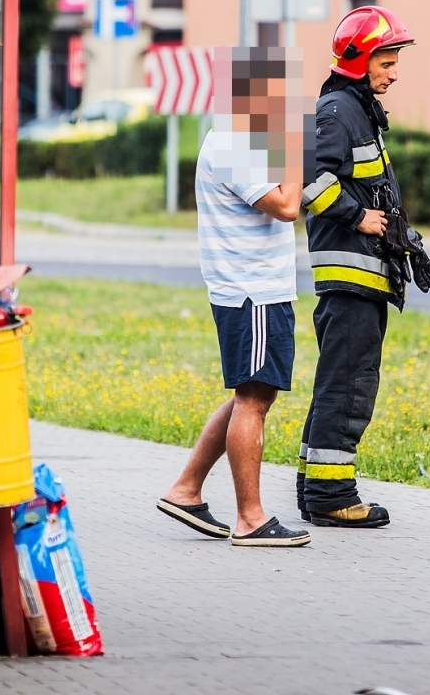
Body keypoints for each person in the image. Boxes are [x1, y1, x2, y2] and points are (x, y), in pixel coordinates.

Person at [159, 47, 311, 547]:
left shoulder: (239, 139)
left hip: (248, 290)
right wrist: (296, 144)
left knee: (252, 392)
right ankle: (251, 518)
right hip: (252, 293)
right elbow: (288, 206)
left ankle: (186, 489)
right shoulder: (236, 146)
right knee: (253, 400)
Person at [296, 6, 430, 528]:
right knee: (349, 386)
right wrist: (360, 217)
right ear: (359, 58)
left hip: (361, 278)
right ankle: (333, 497)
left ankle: (316, 488)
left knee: (337, 382)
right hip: (350, 277)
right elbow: (309, 178)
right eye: (387, 59)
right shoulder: (339, 110)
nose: (394, 71)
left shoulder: (355, 108)